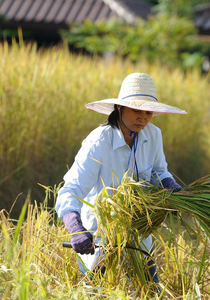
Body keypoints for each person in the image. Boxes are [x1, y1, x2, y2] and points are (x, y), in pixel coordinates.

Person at [55, 72, 187, 283]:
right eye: (136, 110)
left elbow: (158, 171)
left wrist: (170, 186)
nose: (142, 117)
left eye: (148, 112)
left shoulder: (153, 135)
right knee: (97, 293)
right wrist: (76, 229)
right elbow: (71, 190)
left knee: (150, 291)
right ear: (119, 108)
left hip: (138, 234)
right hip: (98, 238)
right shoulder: (99, 142)